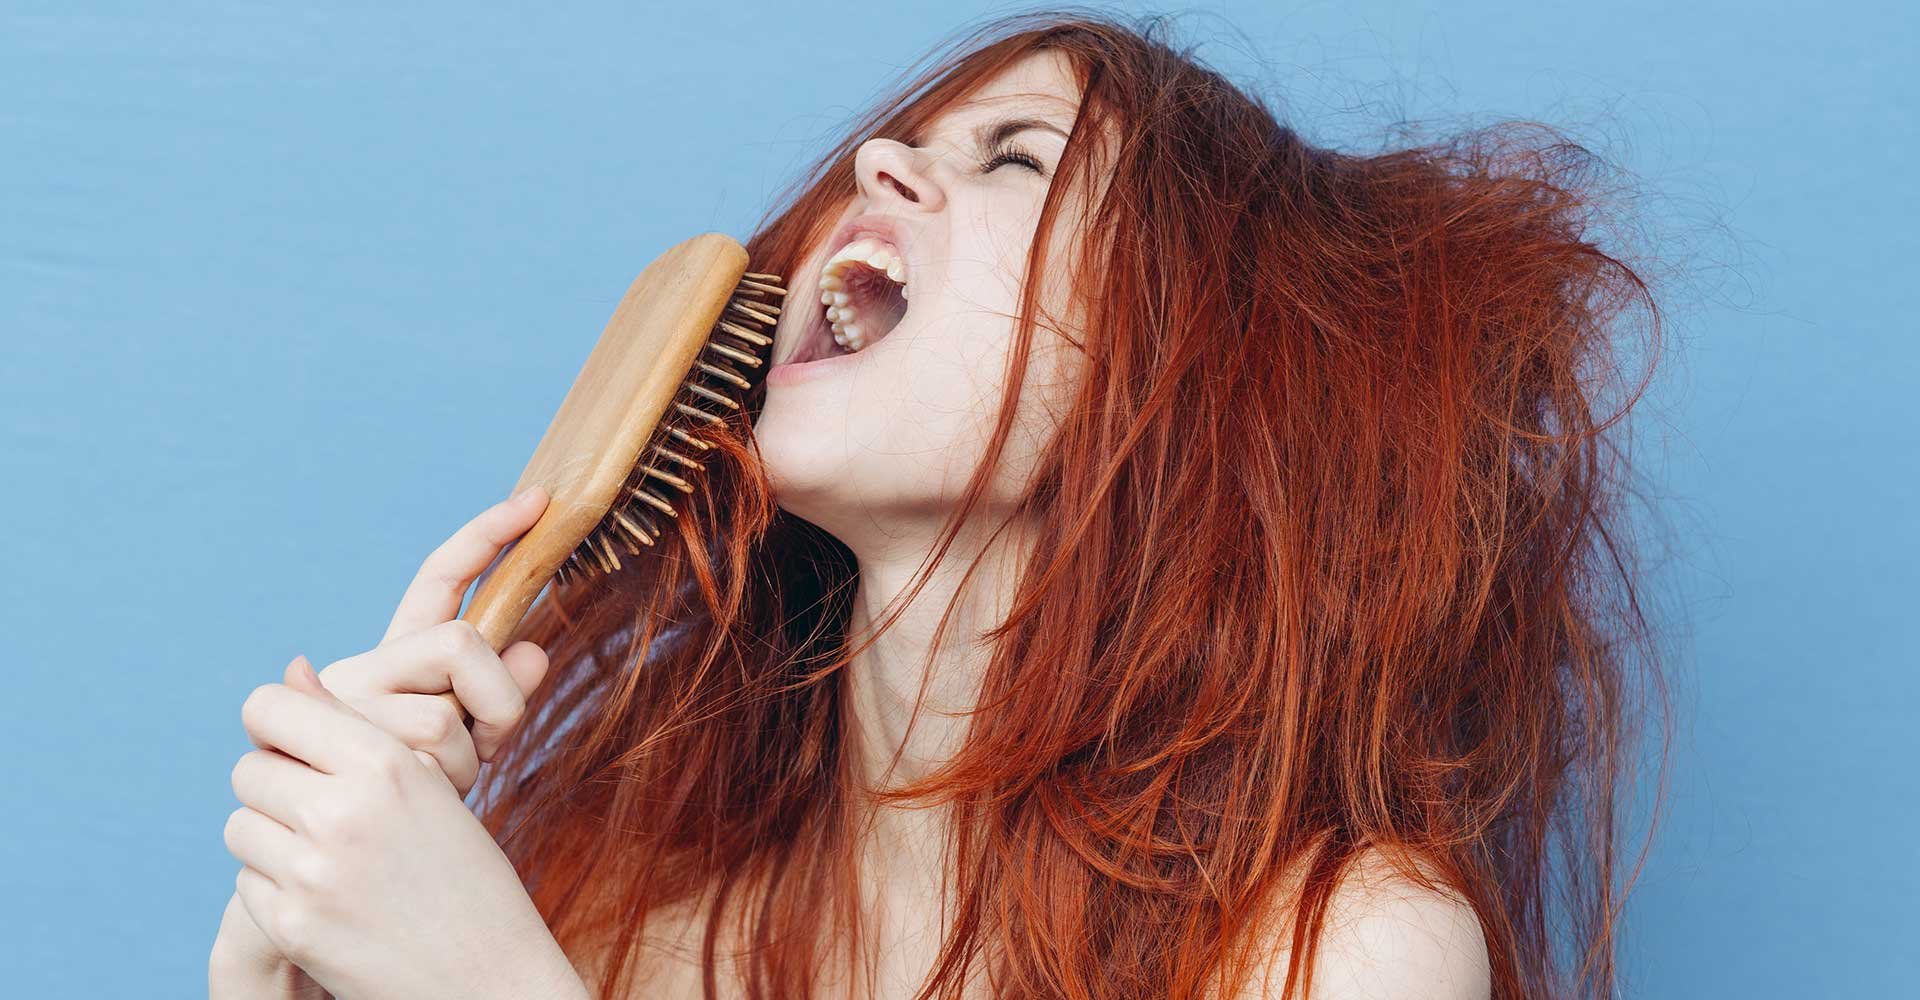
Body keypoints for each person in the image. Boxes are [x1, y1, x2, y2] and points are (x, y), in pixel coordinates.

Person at [212, 11, 1668, 999]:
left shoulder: (1334, 953)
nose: (878, 159)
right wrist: (286, 978)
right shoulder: (631, 926)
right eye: (917, 138)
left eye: (1014, 156)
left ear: (1185, 366)